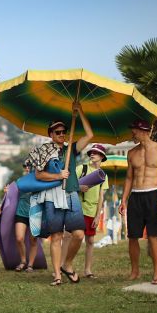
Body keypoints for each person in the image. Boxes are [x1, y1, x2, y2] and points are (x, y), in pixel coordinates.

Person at [29, 102, 94, 286]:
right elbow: (38, 174)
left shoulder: (70, 149)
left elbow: (90, 135)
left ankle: (67, 264)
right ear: (50, 134)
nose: (61, 134)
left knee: (79, 234)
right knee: (56, 236)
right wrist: (58, 175)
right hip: (52, 196)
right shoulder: (44, 151)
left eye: (63, 131)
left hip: (71, 194)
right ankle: (57, 275)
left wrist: (80, 111)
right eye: (57, 132)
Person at [119, 119, 157, 285]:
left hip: (154, 195)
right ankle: (134, 271)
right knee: (132, 236)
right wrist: (124, 199)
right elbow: (129, 178)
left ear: (142, 130)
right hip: (135, 197)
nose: (132, 133)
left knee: (153, 236)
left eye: (134, 131)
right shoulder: (131, 153)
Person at [75, 144, 108, 278]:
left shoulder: (103, 176)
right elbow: (68, 184)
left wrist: (97, 216)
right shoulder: (81, 169)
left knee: (90, 241)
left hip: (92, 211)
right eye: (91, 152)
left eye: (95, 153)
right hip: (77, 209)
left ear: (101, 157)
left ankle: (88, 270)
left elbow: (101, 197)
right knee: (74, 238)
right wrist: (79, 187)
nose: (92, 154)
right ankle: (64, 266)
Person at [13, 162, 39, 272]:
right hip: (21, 212)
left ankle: (30, 265)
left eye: (30, 166)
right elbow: (12, 193)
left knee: (33, 240)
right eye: (26, 166)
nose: (27, 168)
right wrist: (7, 191)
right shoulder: (20, 180)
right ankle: (23, 261)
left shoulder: (41, 181)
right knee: (19, 238)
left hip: (35, 213)